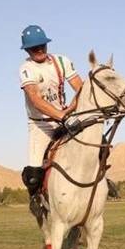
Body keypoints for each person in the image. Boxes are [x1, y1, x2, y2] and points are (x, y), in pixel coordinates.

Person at [18, 25, 83, 201]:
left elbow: (81, 88)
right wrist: (63, 115)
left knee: (99, 144)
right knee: (33, 175)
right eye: (34, 48)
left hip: (65, 117)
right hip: (40, 124)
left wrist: (73, 107)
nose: (39, 50)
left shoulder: (62, 61)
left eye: (42, 45)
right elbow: (35, 99)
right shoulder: (27, 69)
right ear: (27, 50)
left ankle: (103, 181)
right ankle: (36, 201)